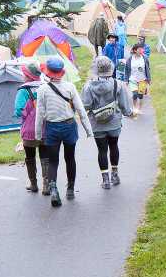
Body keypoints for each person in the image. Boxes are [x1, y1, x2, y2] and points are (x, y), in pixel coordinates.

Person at [35, 56, 92, 207]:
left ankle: (53, 189)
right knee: (70, 158)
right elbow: (80, 109)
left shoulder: (42, 90)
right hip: (69, 126)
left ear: (47, 72)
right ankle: (70, 189)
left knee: (53, 161)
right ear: (62, 72)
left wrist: (38, 135)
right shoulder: (70, 87)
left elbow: (39, 114)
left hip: (52, 128)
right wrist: (88, 130)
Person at [82, 56, 132, 190]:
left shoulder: (88, 86)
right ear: (110, 68)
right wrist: (129, 113)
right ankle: (115, 174)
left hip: (97, 123)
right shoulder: (118, 84)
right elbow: (123, 105)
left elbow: (86, 105)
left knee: (102, 150)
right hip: (114, 121)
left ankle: (105, 180)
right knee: (114, 146)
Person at [14, 64, 48, 195]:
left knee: (30, 156)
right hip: (45, 127)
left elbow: (18, 111)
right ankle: (46, 185)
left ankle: (33, 184)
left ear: (28, 76)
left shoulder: (23, 90)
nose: (22, 76)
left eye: (24, 74)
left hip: (29, 129)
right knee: (45, 155)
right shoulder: (45, 87)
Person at [124, 42, 151, 117]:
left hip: (143, 80)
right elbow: (126, 70)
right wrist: (126, 80)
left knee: (140, 95)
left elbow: (148, 69)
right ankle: (135, 108)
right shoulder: (130, 59)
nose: (142, 50)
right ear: (135, 50)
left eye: (142, 49)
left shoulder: (145, 58)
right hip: (133, 79)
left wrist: (149, 79)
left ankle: (139, 109)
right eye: (140, 49)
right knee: (135, 94)